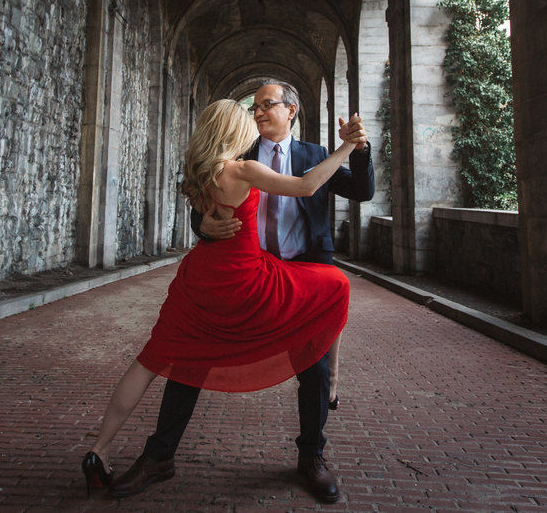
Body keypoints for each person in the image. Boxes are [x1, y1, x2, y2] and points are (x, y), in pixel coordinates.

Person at [80, 97, 369, 504]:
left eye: (266, 106)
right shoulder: (244, 164)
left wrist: (359, 154)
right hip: (246, 277)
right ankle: (158, 456)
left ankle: (99, 450)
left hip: (201, 278)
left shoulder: (201, 170)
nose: (258, 117)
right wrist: (345, 148)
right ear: (236, 131)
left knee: (151, 359)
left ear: (292, 110)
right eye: (251, 113)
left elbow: (360, 189)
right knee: (336, 286)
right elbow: (304, 187)